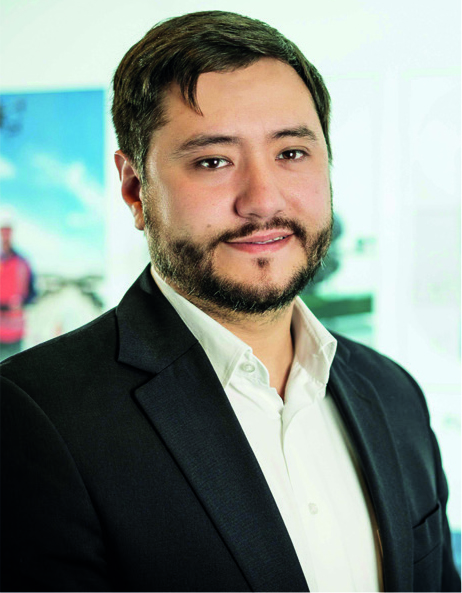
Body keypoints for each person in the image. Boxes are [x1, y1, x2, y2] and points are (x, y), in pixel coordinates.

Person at [1, 11, 459, 593]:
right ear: (135, 189)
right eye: (213, 161)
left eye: (291, 153)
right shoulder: (33, 419)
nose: (263, 200)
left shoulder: (393, 393)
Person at [0, 224, 35, 361]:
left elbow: (33, 294)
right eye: (3, 232)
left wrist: (22, 302)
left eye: (8, 232)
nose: (5, 236)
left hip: (15, 332)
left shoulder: (23, 263)